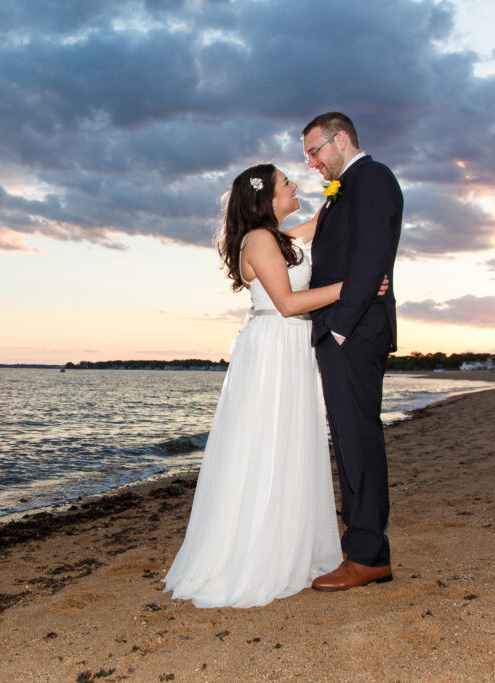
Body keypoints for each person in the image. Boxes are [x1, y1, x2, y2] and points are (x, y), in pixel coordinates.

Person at [163, 163, 387, 608]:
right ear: (266, 198)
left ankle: (291, 545)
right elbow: (286, 303)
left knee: (290, 445)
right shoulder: (260, 240)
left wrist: (341, 185)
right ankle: (260, 554)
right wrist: (355, 287)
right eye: (287, 183)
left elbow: (323, 221)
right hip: (273, 348)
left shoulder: (280, 238)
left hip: (291, 349)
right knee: (267, 445)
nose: (295, 185)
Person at [301, 112, 402, 591]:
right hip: (343, 328)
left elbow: (370, 256)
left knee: (358, 436)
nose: (312, 162)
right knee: (346, 437)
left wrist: (338, 327)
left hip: (355, 330)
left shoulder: (373, 178)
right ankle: (362, 546)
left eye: (315, 151)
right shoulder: (343, 189)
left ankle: (367, 554)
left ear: (340, 140)